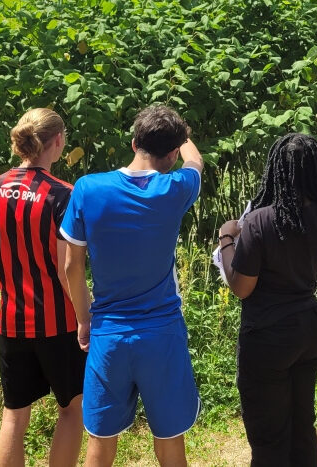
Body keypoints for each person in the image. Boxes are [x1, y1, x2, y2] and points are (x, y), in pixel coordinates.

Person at [61, 105, 204, 467]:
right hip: (162, 335)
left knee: (101, 440)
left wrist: (83, 319)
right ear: (172, 153)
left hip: (108, 333)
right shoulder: (176, 188)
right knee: (170, 440)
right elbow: (196, 163)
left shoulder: (88, 188)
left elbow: (70, 266)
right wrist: (181, 138)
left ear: (133, 142)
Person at [217, 133, 317, 466]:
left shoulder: (260, 221)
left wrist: (227, 238)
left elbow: (242, 287)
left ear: (275, 171)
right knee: (303, 427)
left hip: (267, 337)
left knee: (268, 437)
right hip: (308, 329)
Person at [0, 108, 87, 467]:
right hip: (56, 323)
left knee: (14, 414)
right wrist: (84, 317)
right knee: (73, 410)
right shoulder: (63, 194)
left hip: (11, 319)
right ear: (57, 141)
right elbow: (66, 270)